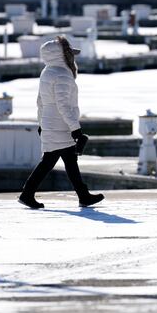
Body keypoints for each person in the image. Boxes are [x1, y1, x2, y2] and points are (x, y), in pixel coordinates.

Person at [18, 36, 104, 209]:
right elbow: (64, 106)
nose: (73, 58)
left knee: (67, 161)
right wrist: (76, 130)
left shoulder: (47, 72)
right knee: (50, 161)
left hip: (51, 122)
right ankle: (27, 193)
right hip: (60, 125)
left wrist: (41, 124)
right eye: (70, 54)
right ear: (63, 56)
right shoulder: (62, 75)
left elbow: (40, 101)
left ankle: (83, 195)